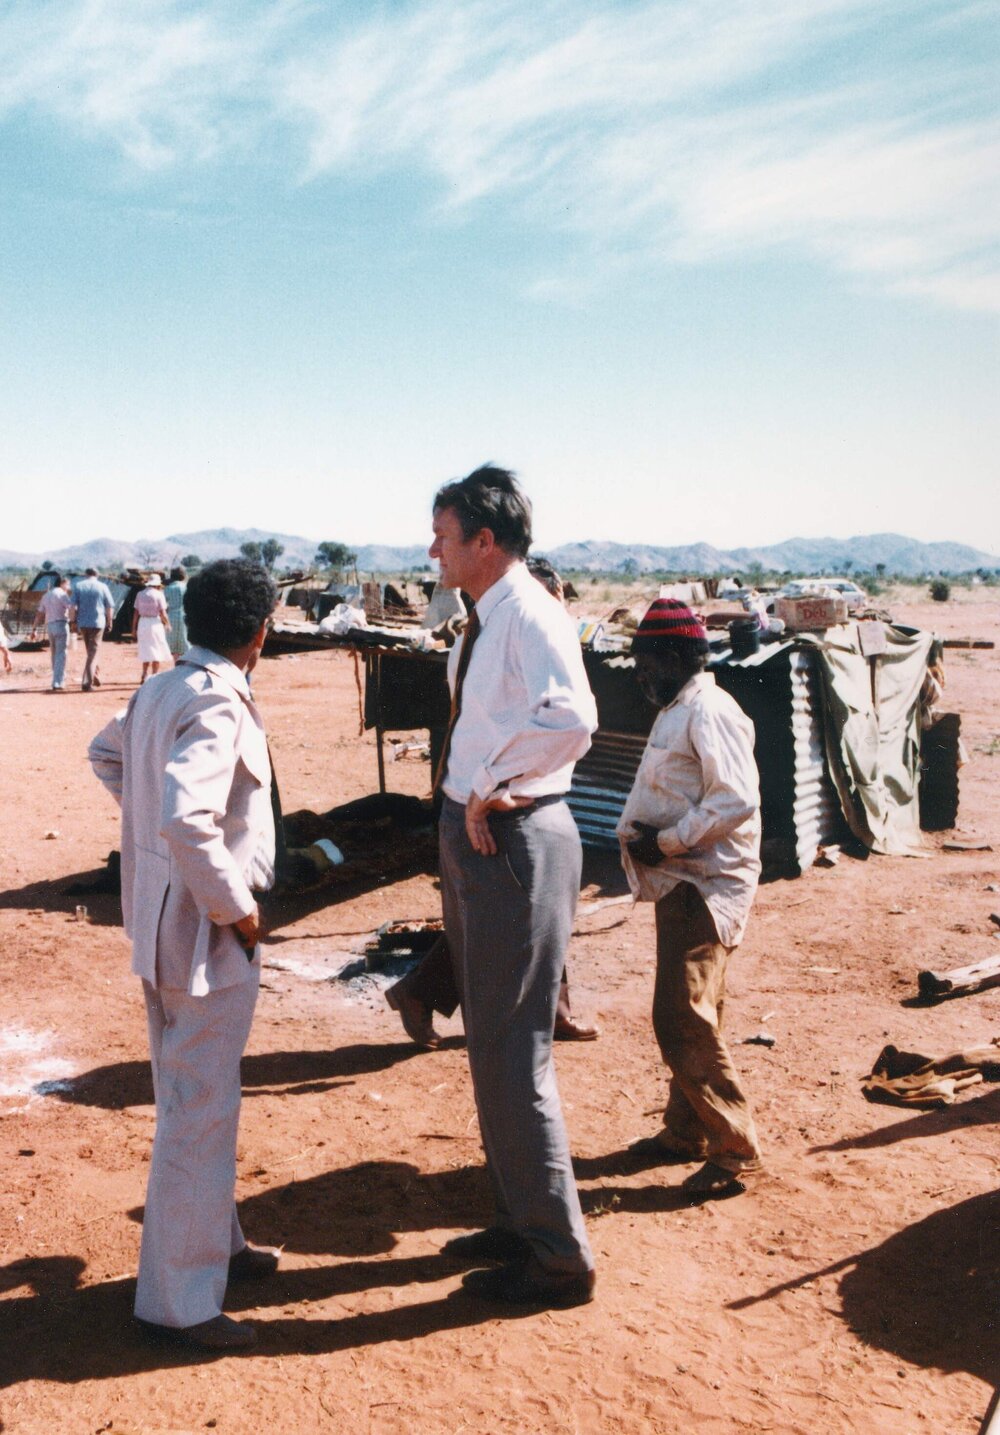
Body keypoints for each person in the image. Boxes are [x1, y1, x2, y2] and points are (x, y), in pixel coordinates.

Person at [88, 558, 281, 1352]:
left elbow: (108, 758)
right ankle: (181, 1303)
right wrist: (235, 907)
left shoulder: (162, 687)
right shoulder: (213, 699)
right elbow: (186, 814)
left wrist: (152, 850)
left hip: (162, 925)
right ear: (260, 633)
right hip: (204, 934)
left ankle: (218, 1243)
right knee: (200, 1109)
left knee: (193, 1093)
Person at [429, 464, 598, 1308]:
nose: (434, 550)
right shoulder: (488, 616)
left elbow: (572, 718)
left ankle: (557, 1256)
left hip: (513, 839)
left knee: (513, 1051)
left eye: (445, 536)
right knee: (492, 1046)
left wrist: (496, 780)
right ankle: (518, 1215)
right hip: (484, 836)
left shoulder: (529, 613)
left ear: (484, 543)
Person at [385, 552, 598, 1047]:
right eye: (556, 594)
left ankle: (553, 1009)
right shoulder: (510, 634)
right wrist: (499, 784)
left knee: (530, 922)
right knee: (498, 928)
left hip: (484, 793)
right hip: (496, 800)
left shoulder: (482, 637)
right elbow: (532, 727)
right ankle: (420, 991)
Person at [617, 599, 764, 1199]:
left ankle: (734, 1147)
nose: (640, 674)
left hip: (702, 880)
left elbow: (735, 799)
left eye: (647, 663)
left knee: (682, 1017)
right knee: (694, 1011)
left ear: (677, 657)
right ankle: (686, 1132)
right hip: (682, 879)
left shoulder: (708, 710)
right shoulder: (682, 707)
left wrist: (671, 843)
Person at [72, 566, 115, 691]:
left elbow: (72, 606)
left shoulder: (78, 586)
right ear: (97, 575)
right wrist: (110, 621)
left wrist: (73, 621)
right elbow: (109, 606)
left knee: (90, 652)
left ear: (86, 574)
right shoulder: (103, 587)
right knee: (93, 652)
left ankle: (94, 675)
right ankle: (87, 682)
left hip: (83, 623)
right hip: (98, 623)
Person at [30, 574, 73, 691]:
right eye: (68, 584)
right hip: (61, 624)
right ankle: (57, 682)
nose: (69, 587)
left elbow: (39, 613)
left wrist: (34, 629)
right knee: (61, 654)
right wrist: (73, 621)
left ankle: (58, 678)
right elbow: (71, 608)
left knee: (54, 654)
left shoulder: (46, 595)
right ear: (63, 583)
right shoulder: (62, 595)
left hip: (50, 626)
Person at [132, 573, 172, 683]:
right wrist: (167, 624)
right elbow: (163, 612)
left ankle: (144, 673)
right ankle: (154, 675)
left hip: (143, 622)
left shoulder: (140, 594)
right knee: (157, 648)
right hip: (155, 623)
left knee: (145, 648)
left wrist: (133, 628)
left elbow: (136, 613)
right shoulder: (159, 595)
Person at [163, 565, 188, 662]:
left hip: (171, 616)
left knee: (172, 643)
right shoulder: (187, 587)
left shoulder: (168, 588)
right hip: (184, 615)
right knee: (184, 641)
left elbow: (164, 604)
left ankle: (176, 663)